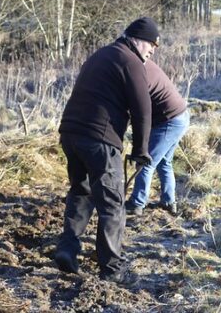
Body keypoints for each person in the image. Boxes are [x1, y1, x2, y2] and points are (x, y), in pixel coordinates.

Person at [54, 17, 158, 284]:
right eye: (151, 45)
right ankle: (112, 269)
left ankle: (67, 249)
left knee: (81, 191)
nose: (152, 51)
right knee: (112, 203)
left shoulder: (102, 54)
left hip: (70, 133)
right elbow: (142, 109)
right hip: (100, 139)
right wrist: (141, 149)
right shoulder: (131, 61)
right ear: (138, 40)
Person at [125, 60, 189, 216]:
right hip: (180, 116)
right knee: (164, 162)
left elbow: (139, 111)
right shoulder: (142, 65)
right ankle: (168, 202)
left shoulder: (136, 71)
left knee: (146, 163)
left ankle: (137, 203)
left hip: (170, 121)